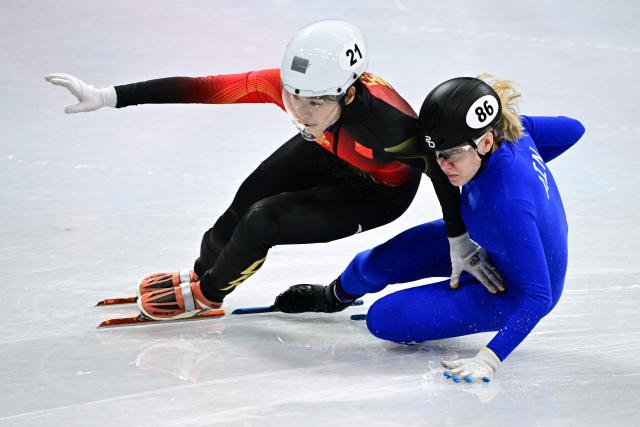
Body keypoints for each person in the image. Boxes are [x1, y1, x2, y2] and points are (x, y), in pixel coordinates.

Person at [45, 20, 502, 321]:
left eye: (315, 101)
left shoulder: (390, 125)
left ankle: (208, 296)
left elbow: (438, 171)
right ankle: (205, 270)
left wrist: (459, 239)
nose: (300, 110)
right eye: (293, 96)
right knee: (248, 195)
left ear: (346, 94)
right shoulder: (293, 94)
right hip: (330, 150)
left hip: (376, 192)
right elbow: (204, 88)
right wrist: (109, 95)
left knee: (265, 218)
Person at [274, 75, 585, 383]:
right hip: (488, 237)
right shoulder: (511, 133)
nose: (442, 165)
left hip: (513, 288)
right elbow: (573, 129)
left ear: (485, 142)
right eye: (437, 153)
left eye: (451, 154)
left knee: (384, 319)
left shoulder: (510, 203)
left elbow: (539, 296)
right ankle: (334, 296)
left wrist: (490, 359)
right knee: (370, 264)